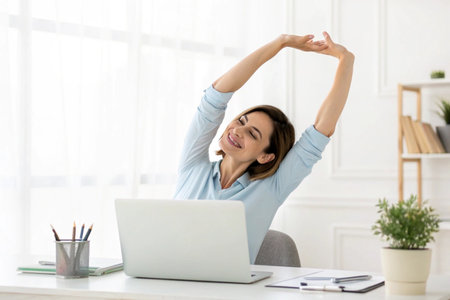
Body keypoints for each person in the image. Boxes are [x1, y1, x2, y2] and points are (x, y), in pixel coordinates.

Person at [174, 32, 354, 263]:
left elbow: (321, 131)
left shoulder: (271, 189)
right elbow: (216, 97)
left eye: (252, 133)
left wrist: (346, 60)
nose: (238, 130)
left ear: (266, 156)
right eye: (241, 121)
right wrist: (281, 42)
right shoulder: (193, 166)